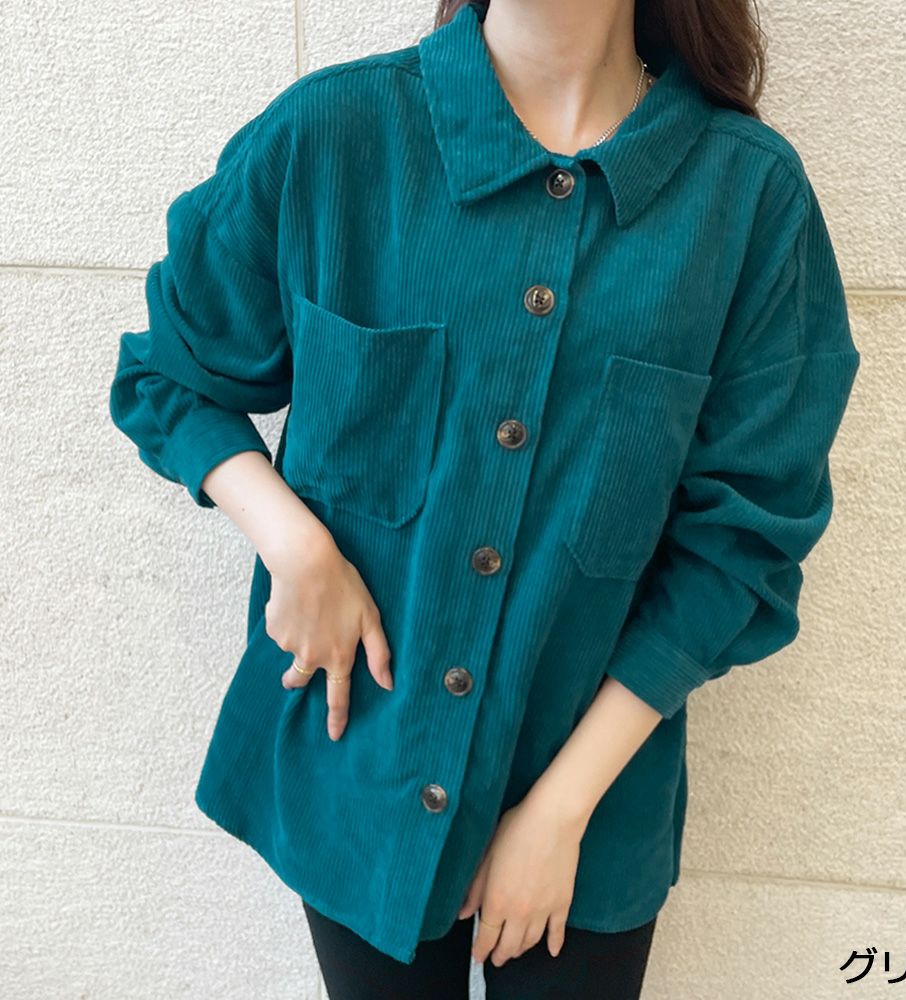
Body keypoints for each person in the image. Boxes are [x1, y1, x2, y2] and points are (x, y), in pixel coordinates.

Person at [107, 0, 862, 996]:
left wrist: (559, 811)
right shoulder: (333, 136)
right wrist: (296, 545)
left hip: (589, 820)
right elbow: (169, 376)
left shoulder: (748, 200)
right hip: (358, 773)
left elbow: (741, 545)